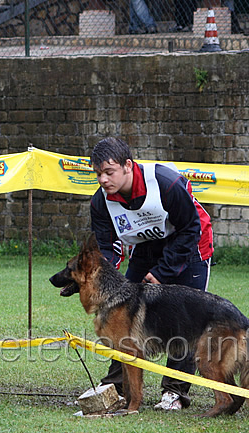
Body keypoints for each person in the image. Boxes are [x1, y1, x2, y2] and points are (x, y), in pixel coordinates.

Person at [88, 137, 214, 411]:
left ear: (128, 166)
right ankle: (116, 386)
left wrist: (163, 271)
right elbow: (108, 248)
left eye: (109, 172)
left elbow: (191, 228)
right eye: (98, 173)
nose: (102, 179)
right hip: (146, 249)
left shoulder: (166, 183)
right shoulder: (100, 203)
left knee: (184, 322)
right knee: (119, 317)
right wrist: (104, 282)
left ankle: (175, 393)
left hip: (190, 247)